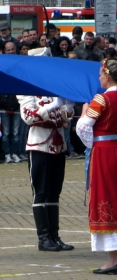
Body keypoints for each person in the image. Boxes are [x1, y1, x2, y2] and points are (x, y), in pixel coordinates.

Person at [76, 59, 117, 275]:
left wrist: (84, 111)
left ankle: (113, 260)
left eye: (100, 75)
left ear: (108, 75)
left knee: (106, 198)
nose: (99, 78)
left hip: (104, 154)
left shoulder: (101, 99)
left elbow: (83, 128)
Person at [16, 47, 75, 252]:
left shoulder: (55, 84)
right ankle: (44, 238)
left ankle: (55, 235)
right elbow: (29, 116)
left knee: (54, 192)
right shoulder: (26, 86)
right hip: (39, 144)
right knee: (40, 192)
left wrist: (68, 107)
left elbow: (66, 117)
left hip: (58, 145)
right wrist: (51, 108)